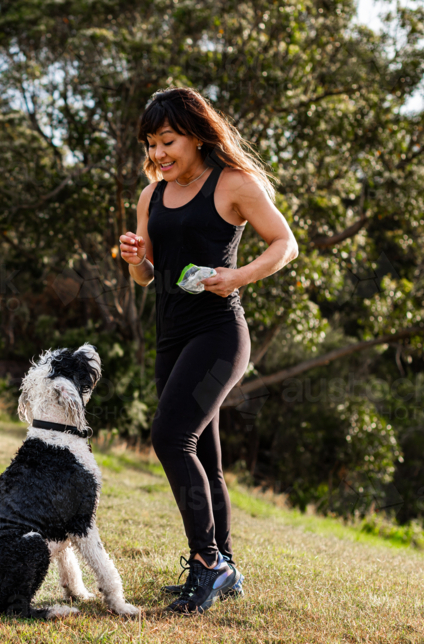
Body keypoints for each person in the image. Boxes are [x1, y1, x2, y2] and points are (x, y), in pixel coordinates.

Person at [119, 87, 298, 614]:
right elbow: (147, 276)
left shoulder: (234, 184)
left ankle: (207, 562)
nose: (158, 154)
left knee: (171, 437)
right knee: (206, 455)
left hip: (219, 333)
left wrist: (235, 276)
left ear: (196, 134)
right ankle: (227, 568)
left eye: (167, 140)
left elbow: (284, 243)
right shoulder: (151, 196)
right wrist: (134, 258)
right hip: (170, 336)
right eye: (151, 144)